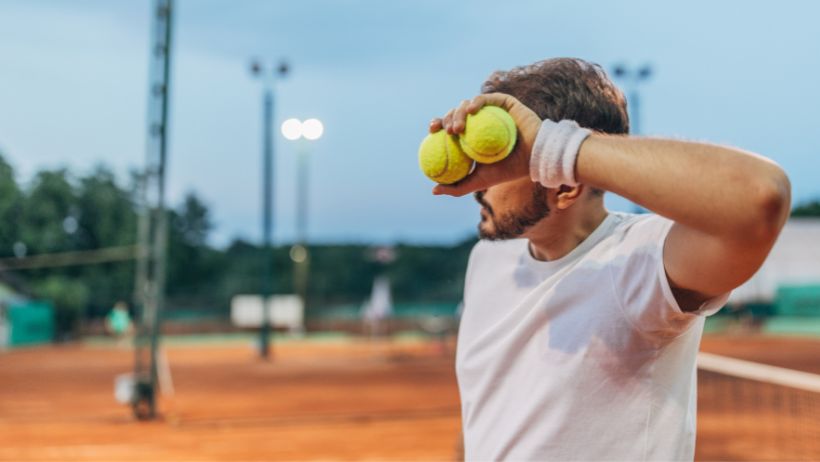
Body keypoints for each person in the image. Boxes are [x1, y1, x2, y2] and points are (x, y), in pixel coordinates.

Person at [429, 58, 790, 461]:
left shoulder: (638, 261)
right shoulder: (488, 258)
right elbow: (486, 416)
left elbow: (761, 197)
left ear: (564, 185)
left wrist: (552, 145)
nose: (479, 185)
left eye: (500, 163)